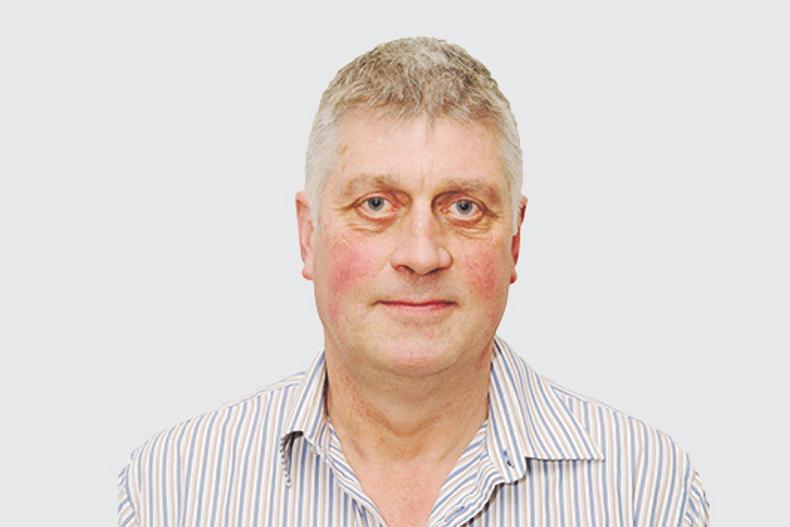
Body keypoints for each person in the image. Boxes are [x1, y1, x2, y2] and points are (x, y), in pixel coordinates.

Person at [118, 37, 709, 527]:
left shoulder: (646, 490)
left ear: (515, 240)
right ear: (308, 234)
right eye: (376, 204)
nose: (422, 255)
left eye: (464, 207)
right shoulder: (173, 490)